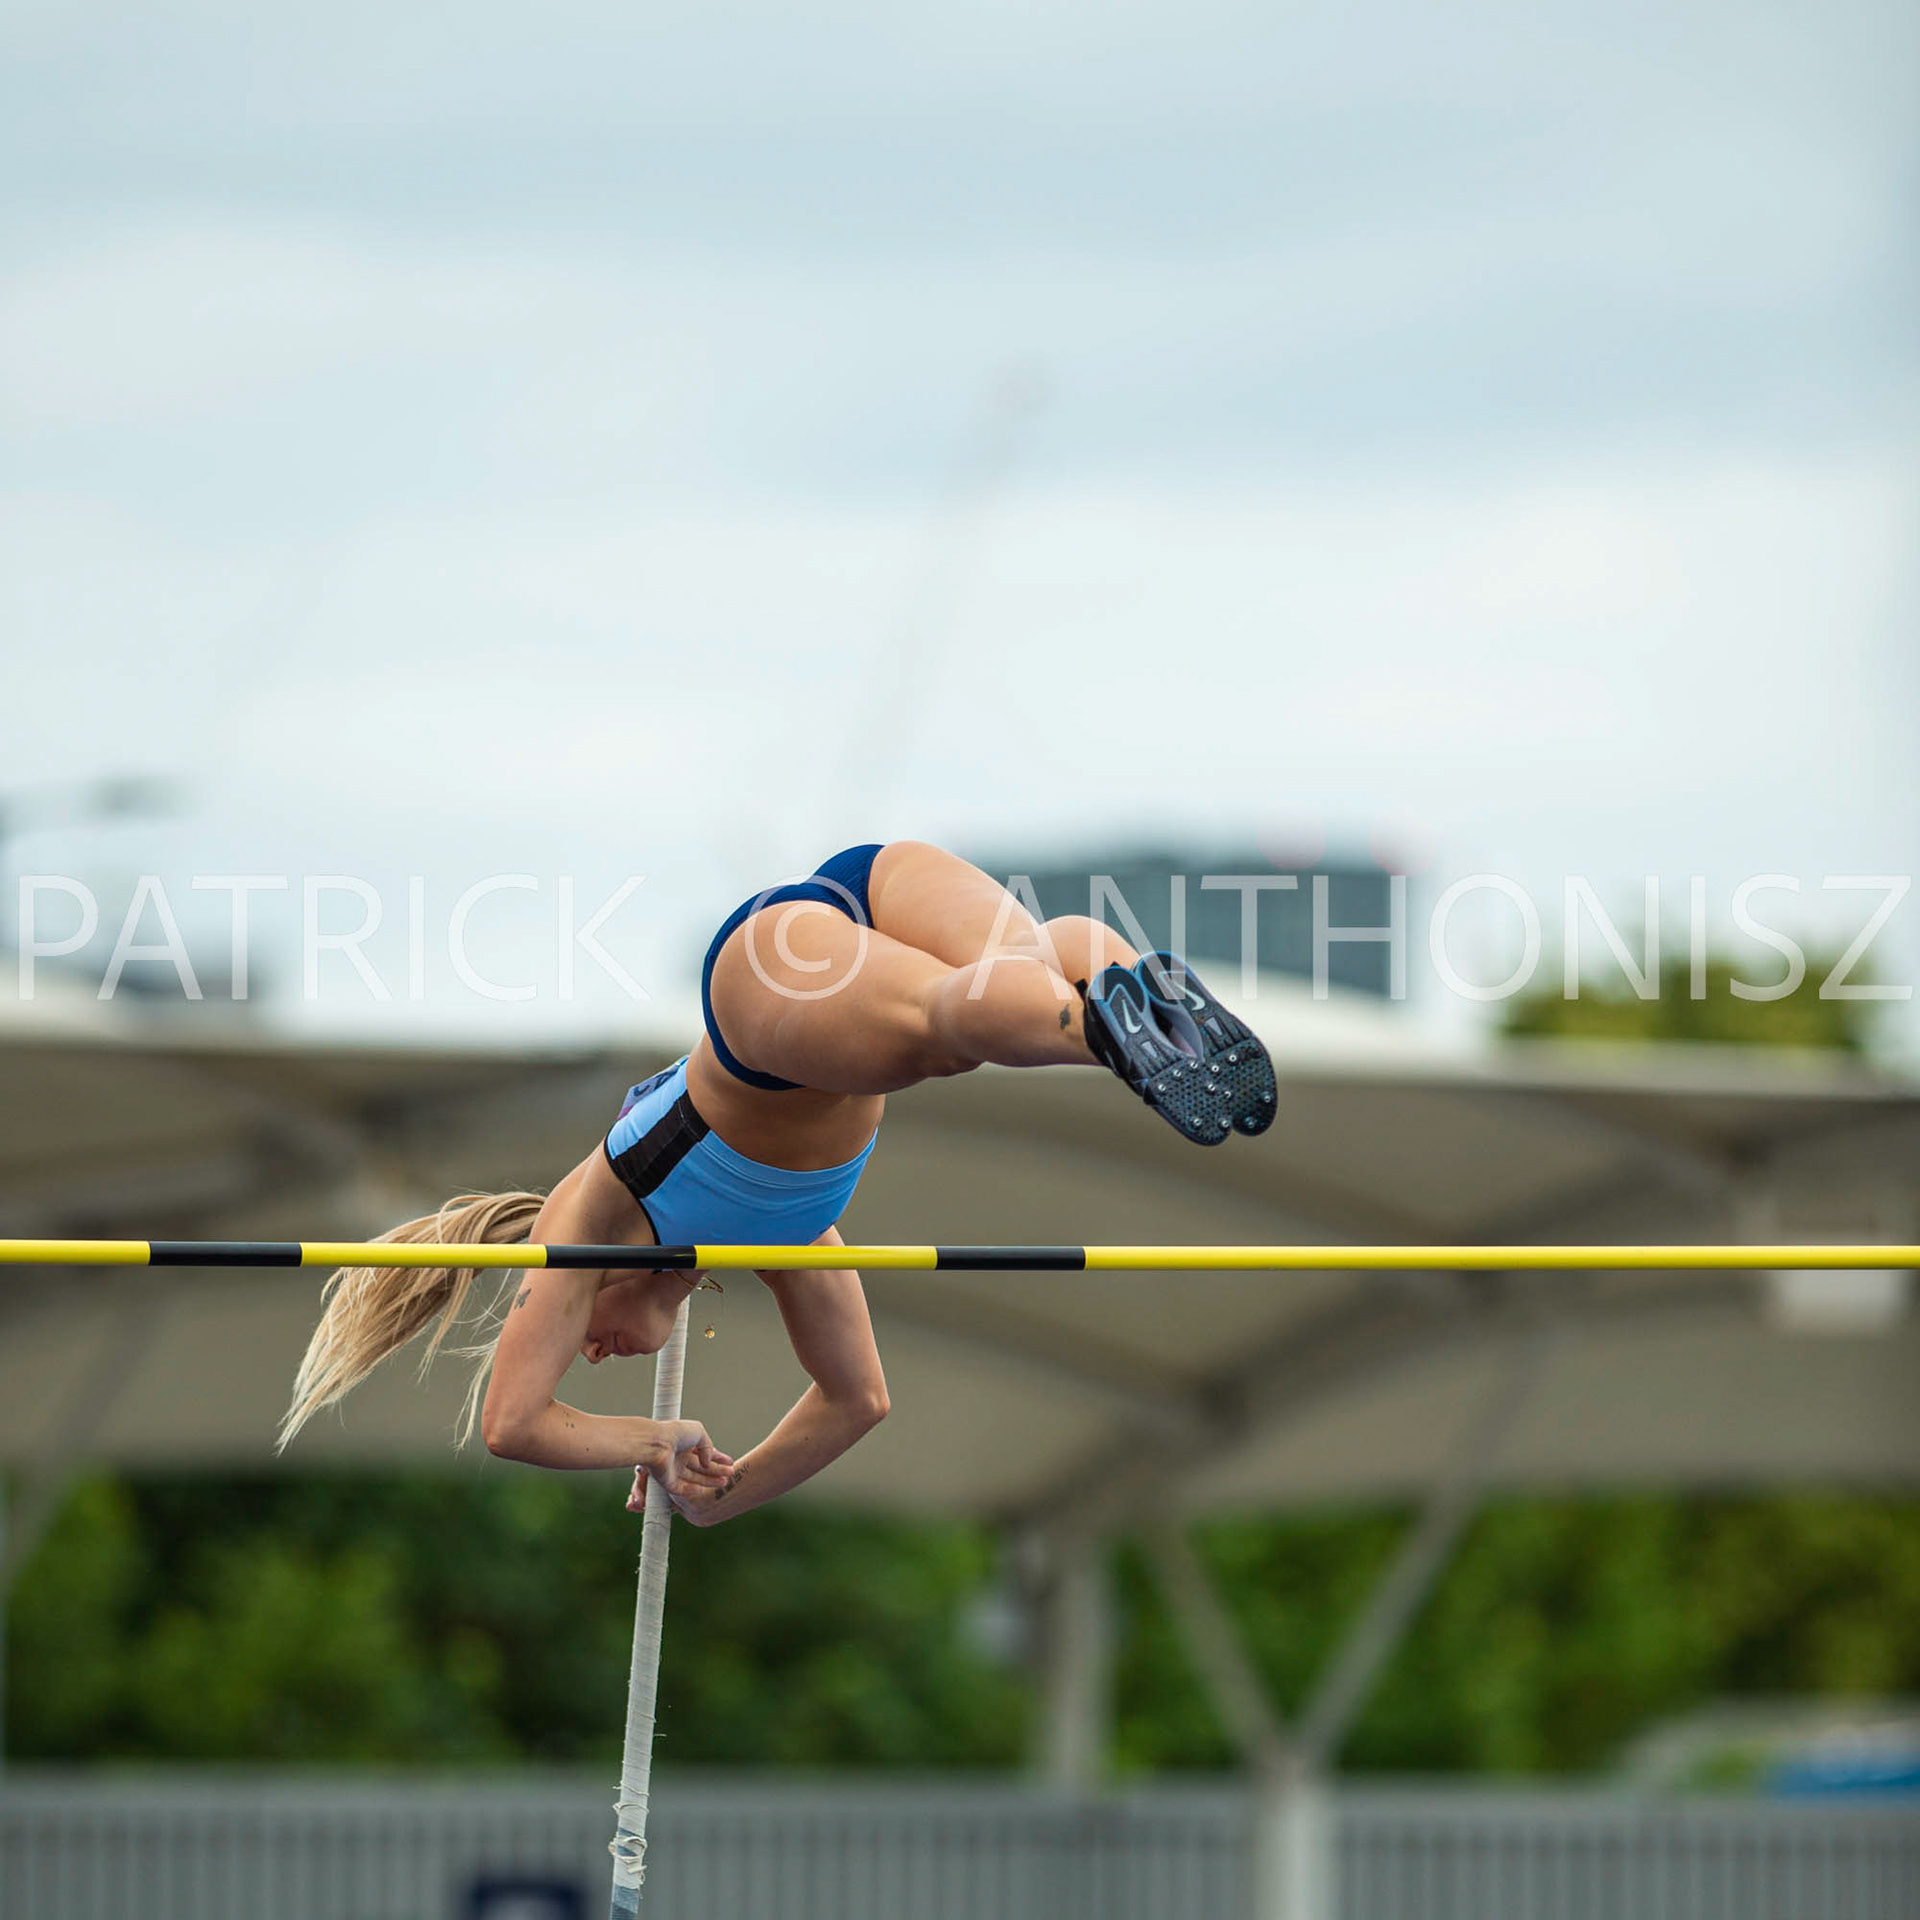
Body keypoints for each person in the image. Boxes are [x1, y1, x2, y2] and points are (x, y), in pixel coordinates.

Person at [277, 840, 1275, 1525]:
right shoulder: (789, 1241)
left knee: (937, 1034)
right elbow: (856, 1399)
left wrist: (657, 1439)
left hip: (764, 992)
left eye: (575, 1337)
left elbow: (513, 1423)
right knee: (1011, 976)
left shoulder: (589, 1217)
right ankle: (1124, 995)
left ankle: (1106, 1030)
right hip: (872, 889)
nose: (591, 1347)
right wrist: (722, 1492)